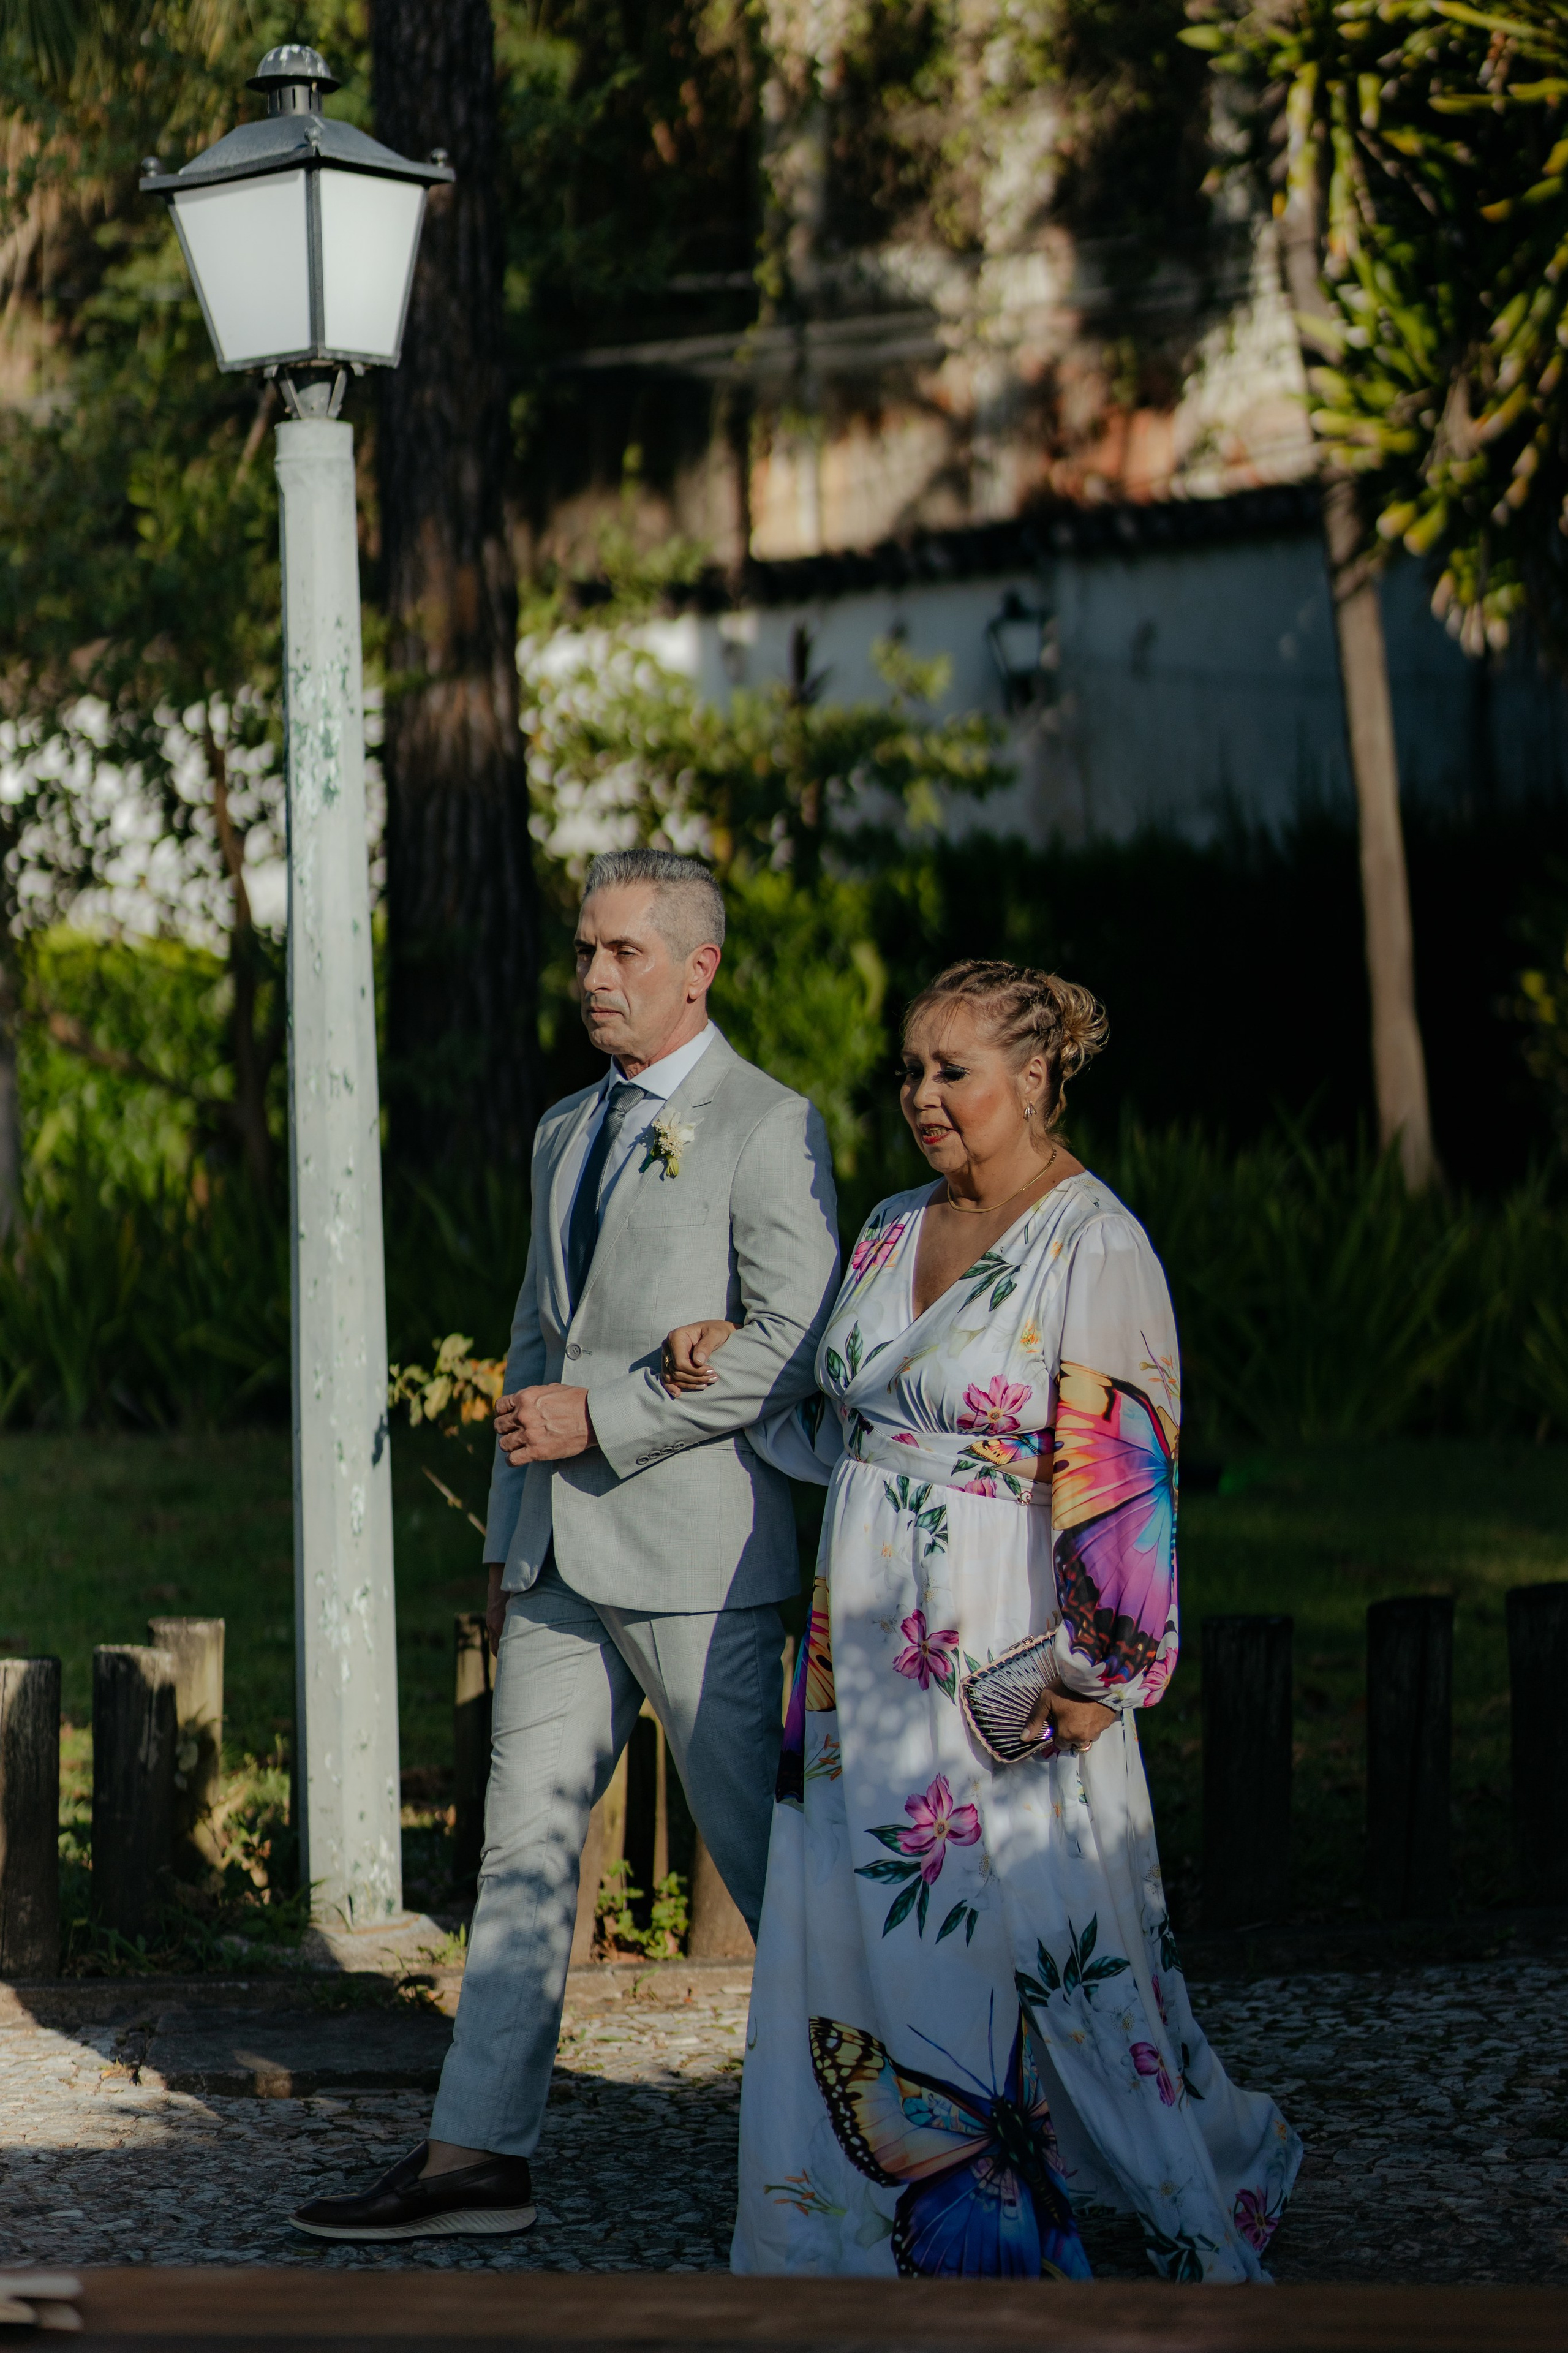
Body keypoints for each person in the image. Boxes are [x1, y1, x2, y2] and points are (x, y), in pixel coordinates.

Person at [663, 959, 1300, 2282]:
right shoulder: (894, 1225)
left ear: (1035, 1077)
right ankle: (848, 2226)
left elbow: (1127, 1466)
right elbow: (844, 1393)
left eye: (952, 1070)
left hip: (1002, 1638)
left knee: (1051, 1926)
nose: (922, 1096)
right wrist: (725, 1349)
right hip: (863, 1653)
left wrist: (1095, 1664)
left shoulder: (1093, 1240)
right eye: (909, 1069)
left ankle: (1184, 2187)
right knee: (866, 1914)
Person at [292, 847, 840, 2244]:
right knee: (520, 1850)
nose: (593, 976)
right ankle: (475, 2156)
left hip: (704, 1560)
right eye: (585, 952)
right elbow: (534, 1336)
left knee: (771, 1858)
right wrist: (506, 1522)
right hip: (550, 1563)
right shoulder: (559, 1129)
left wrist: (599, 1418)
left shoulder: (766, 1125)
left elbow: (791, 1342)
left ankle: (878, 2125)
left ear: (698, 967)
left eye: (623, 954)